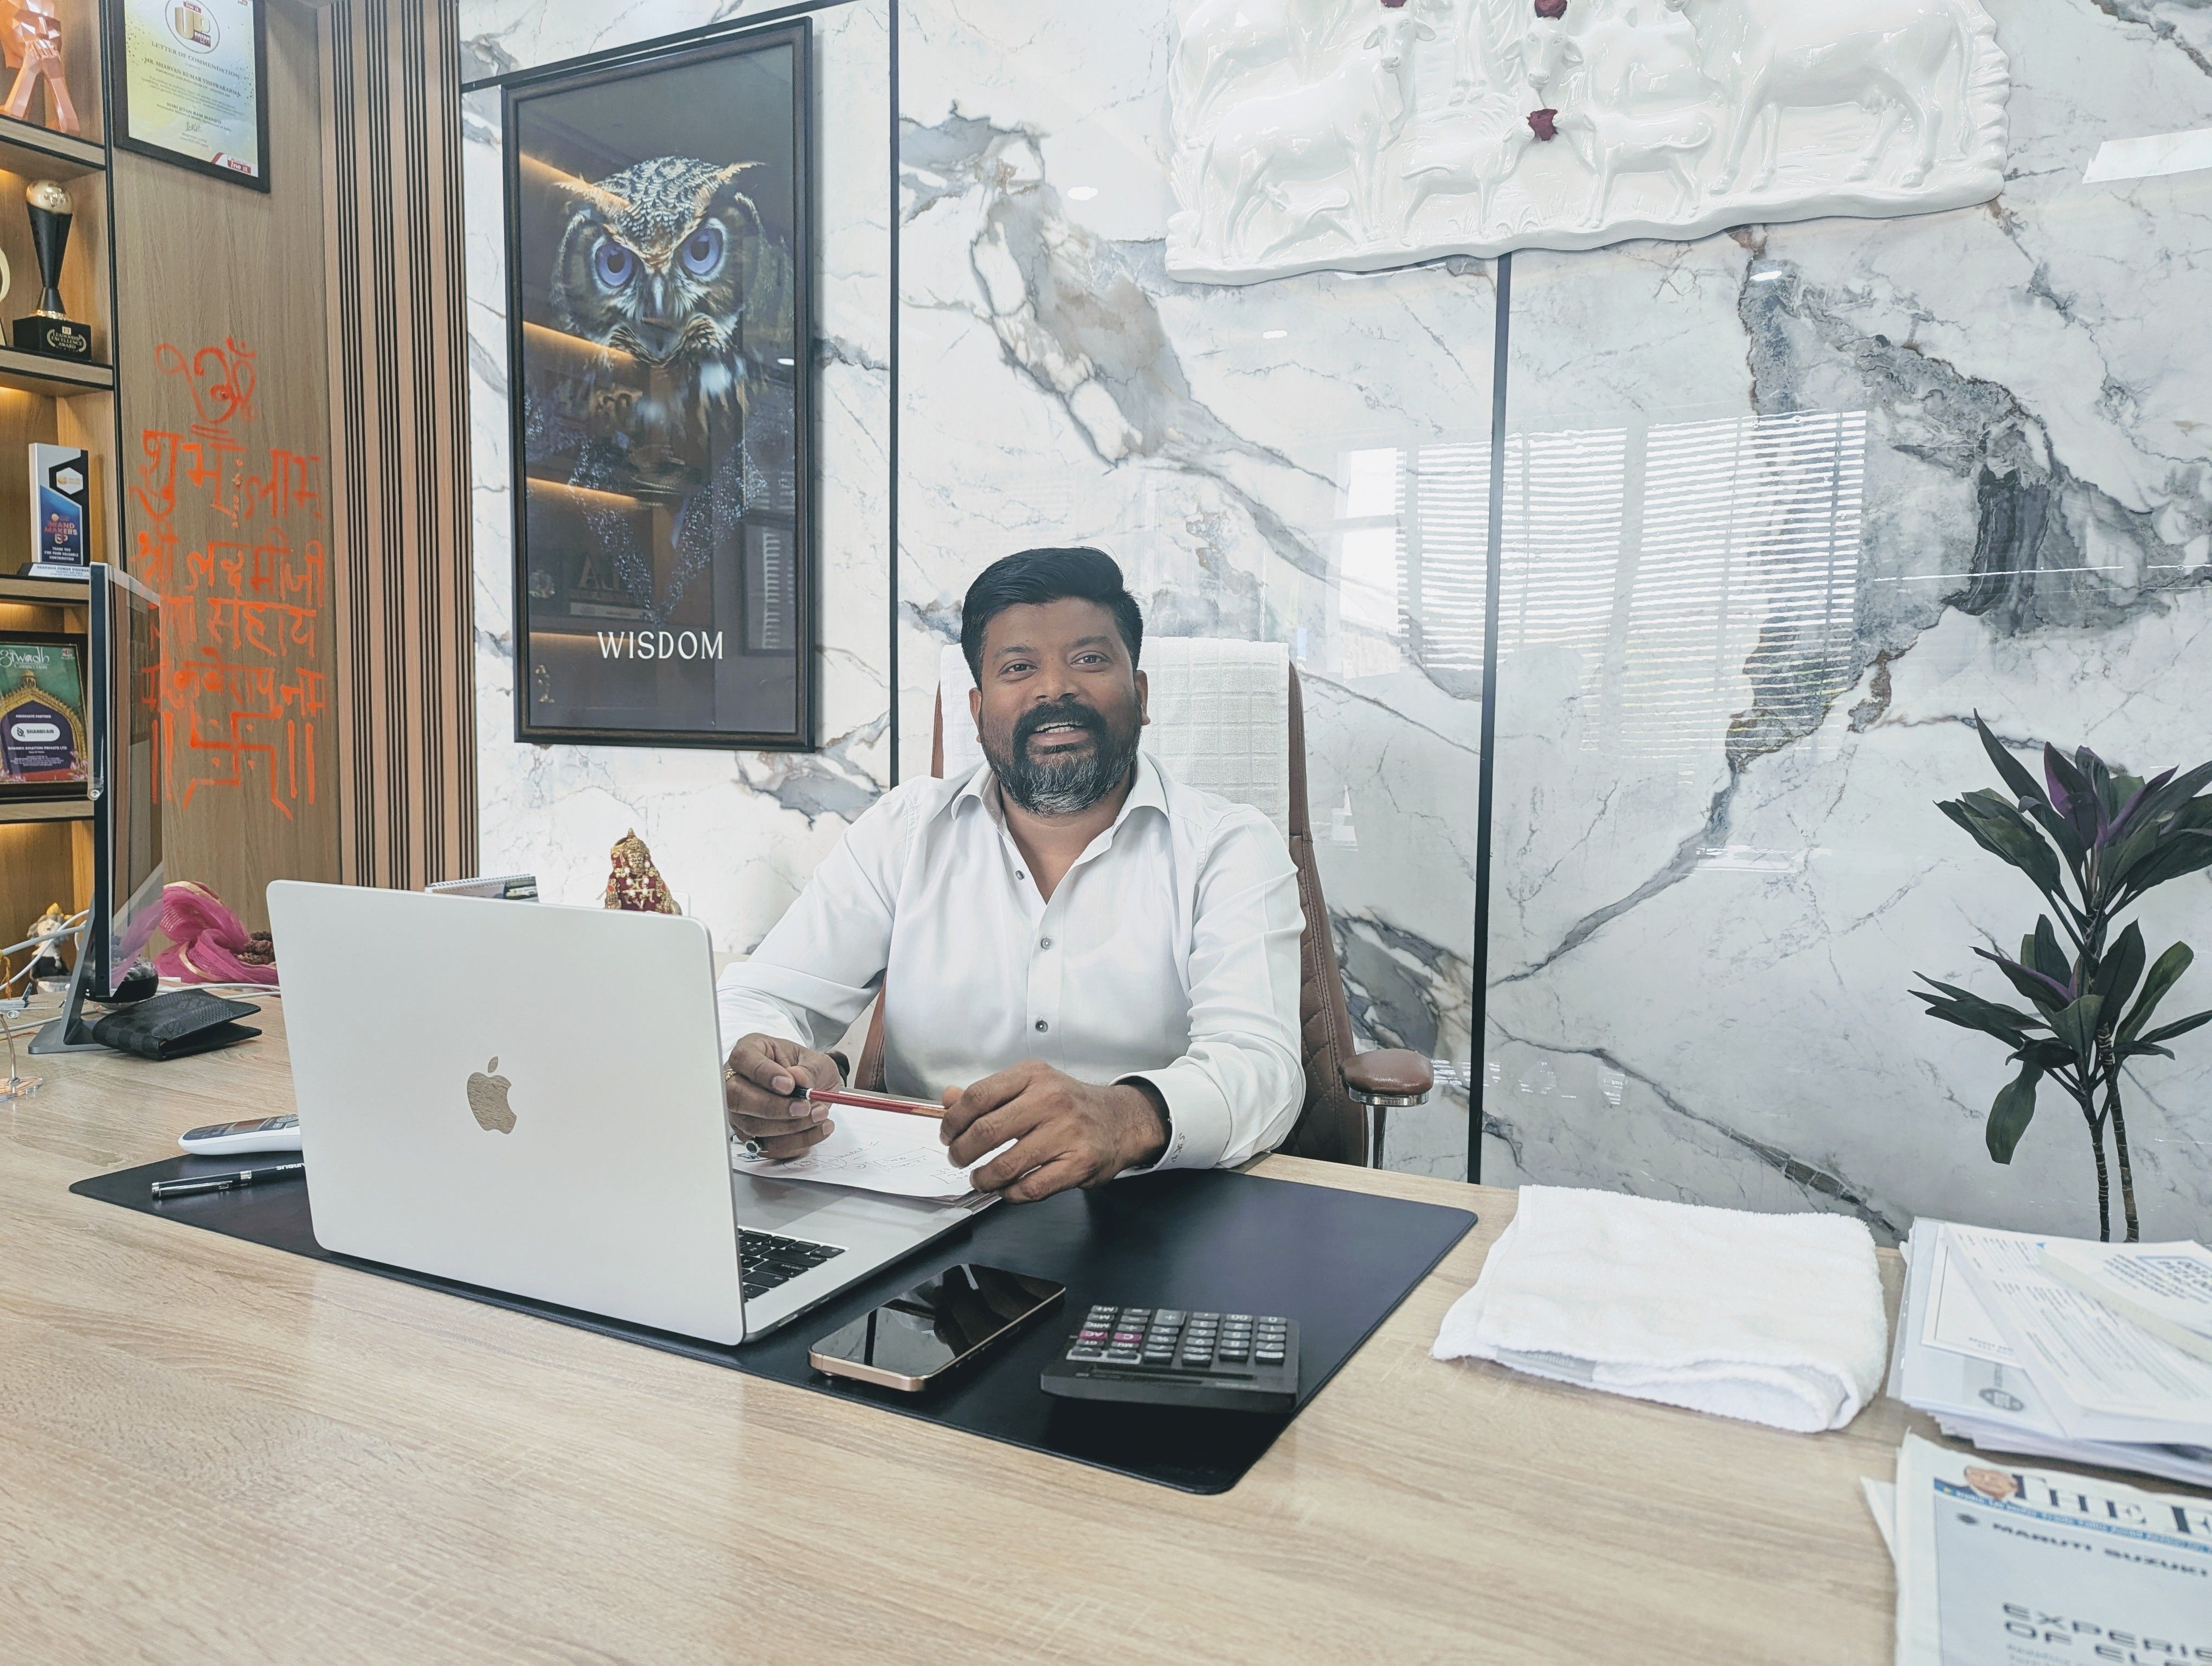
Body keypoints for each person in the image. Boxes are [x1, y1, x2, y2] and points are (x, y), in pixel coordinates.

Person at [716, 547, 1304, 1203]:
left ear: (1140, 696)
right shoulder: (905, 831)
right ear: (977, 711)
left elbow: (1262, 1067)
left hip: (1157, 1209)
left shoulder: (1229, 846)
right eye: (1019, 667)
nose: (1055, 689)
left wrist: (1126, 1117)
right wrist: (766, 1070)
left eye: (1089, 659)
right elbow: (758, 997)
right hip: (929, 1212)